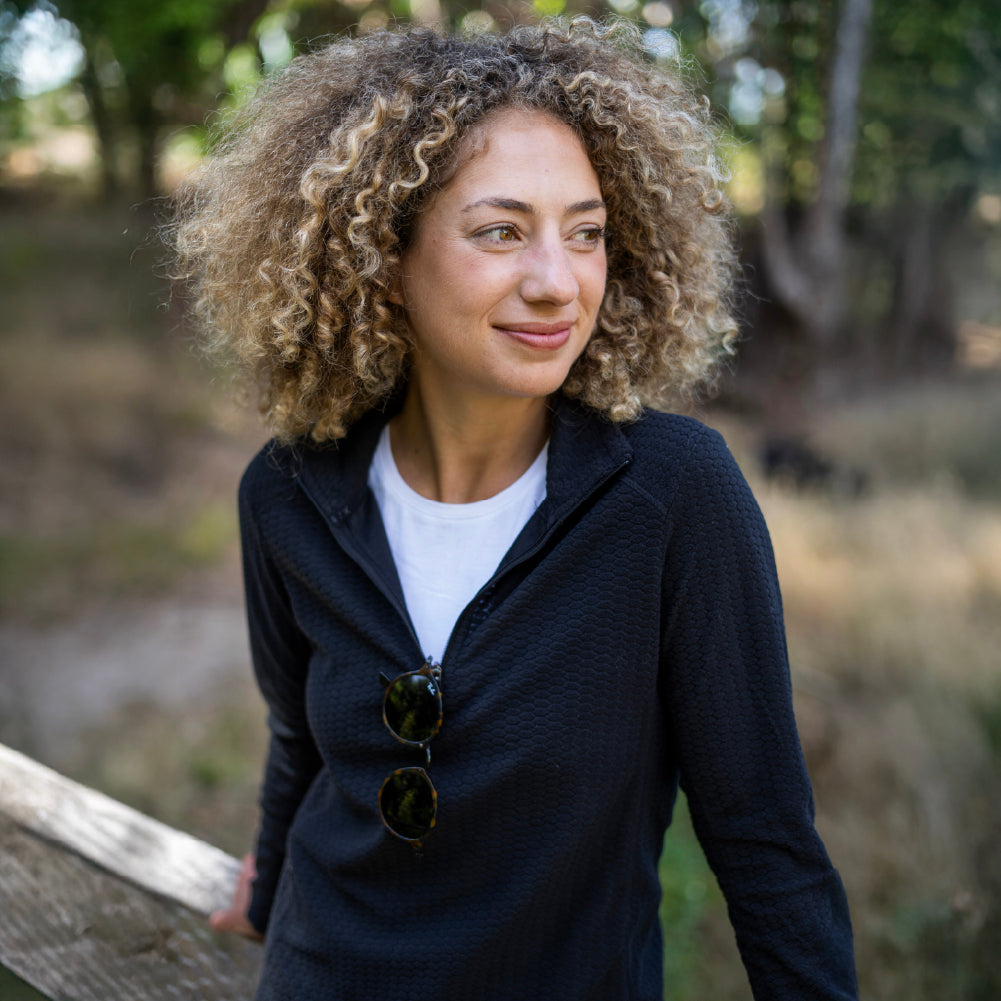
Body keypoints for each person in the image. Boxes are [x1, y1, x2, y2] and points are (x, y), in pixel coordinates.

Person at [172, 17, 858, 1001]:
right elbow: (301, 741)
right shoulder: (284, 494)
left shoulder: (671, 494)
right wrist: (270, 878)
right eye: (500, 230)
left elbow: (763, 837)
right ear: (383, 258)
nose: (556, 283)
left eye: (585, 233)